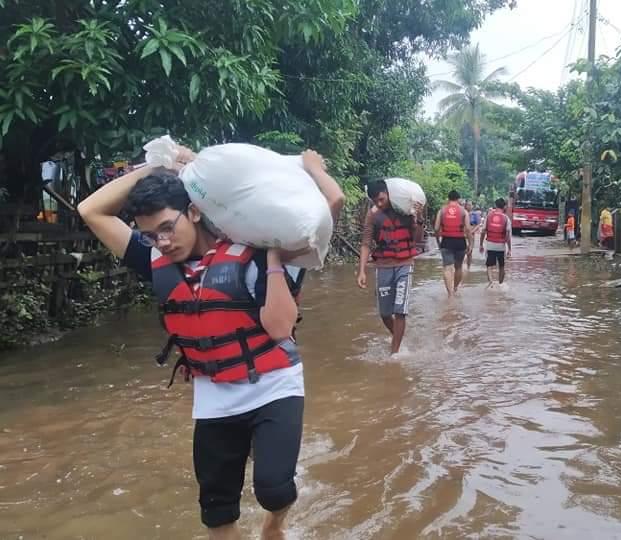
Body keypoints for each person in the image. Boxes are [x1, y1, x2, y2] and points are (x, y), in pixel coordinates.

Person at [77, 146, 345, 540]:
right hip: (214, 395)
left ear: (196, 212)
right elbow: (91, 211)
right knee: (217, 515)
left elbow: (329, 208)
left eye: (168, 227)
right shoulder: (155, 265)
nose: (161, 241)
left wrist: (313, 170)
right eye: (150, 235)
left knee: (273, 490)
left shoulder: (258, 253)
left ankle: (274, 526)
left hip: (274, 384)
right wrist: (157, 166)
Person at [357, 180, 425, 355]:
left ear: (389, 194)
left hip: (404, 264)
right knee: (385, 313)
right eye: (375, 201)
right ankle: (399, 338)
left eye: (381, 199)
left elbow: (417, 240)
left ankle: (394, 354)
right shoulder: (373, 215)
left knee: (400, 310)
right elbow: (366, 243)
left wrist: (418, 218)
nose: (379, 204)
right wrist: (362, 270)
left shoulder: (405, 211)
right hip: (383, 266)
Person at [434, 190, 471, 296]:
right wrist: (471, 244)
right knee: (458, 267)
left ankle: (450, 293)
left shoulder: (441, 211)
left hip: (446, 241)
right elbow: (468, 229)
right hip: (460, 242)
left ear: (448, 198)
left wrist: (438, 241)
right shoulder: (464, 211)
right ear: (458, 199)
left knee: (447, 267)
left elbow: (436, 228)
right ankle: (455, 288)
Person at [479, 198, 512, 286]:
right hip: (501, 246)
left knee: (489, 265)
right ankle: (500, 284)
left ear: (495, 205)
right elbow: (508, 236)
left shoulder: (489, 216)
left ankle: (491, 282)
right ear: (504, 207)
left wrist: (481, 244)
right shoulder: (506, 219)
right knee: (502, 266)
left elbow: (483, 231)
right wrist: (509, 249)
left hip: (490, 245)